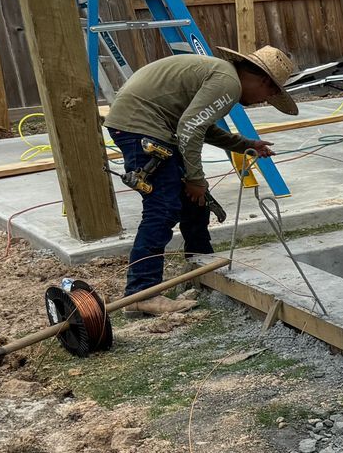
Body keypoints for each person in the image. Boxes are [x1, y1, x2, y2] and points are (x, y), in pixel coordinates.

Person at [105, 45, 300, 300]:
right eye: (268, 94)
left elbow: (201, 126)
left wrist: (246, 145)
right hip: (141, 127)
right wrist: (197, 179)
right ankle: (141, 293)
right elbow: (191, 127)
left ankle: (201, 269)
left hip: (149, 125)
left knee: (194, 202)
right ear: (264, 81)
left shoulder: (222, 75)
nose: (263, 101)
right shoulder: (228, 83)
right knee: (163, 208)